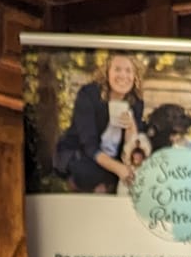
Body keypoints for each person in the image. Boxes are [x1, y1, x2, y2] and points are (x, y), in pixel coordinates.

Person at [54, 52, 145, 194]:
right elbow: (89, 146)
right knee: (86, 172)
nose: (123, 76)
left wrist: (131, 126)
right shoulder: (89, 95)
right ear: (107, 72)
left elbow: (131, 149)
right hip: (82, 154)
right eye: (117, 69)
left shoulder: (136, 102)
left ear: (135, 77)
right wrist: (118, 169)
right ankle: (95, 185)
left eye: (128, 71)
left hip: (114, 159)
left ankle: (103, 185)